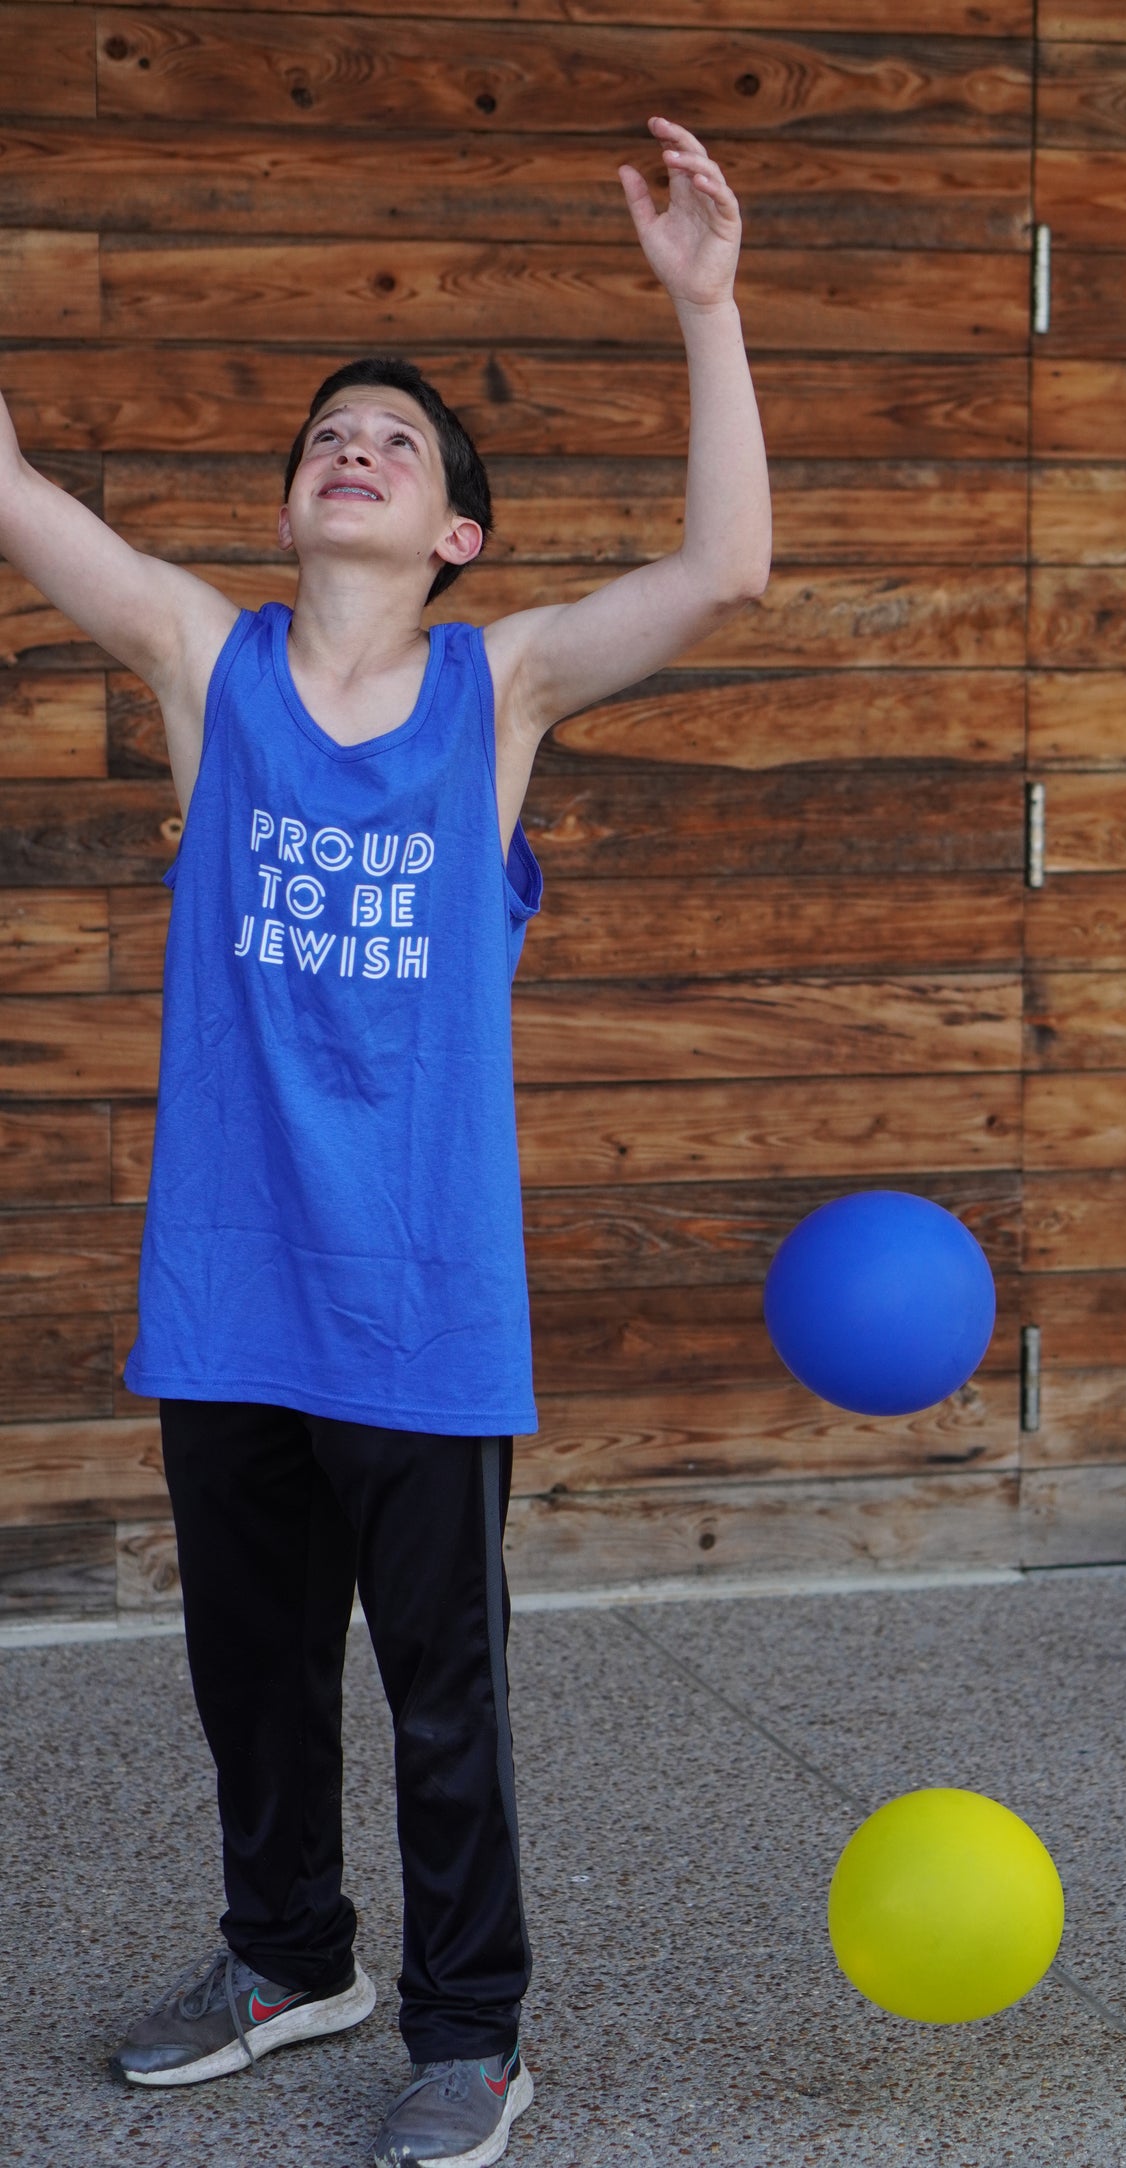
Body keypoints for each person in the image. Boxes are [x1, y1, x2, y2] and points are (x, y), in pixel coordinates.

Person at [0, 115, 770, 2167]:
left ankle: (471, 2025)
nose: (353, 447)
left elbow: (725, 571)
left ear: (454, 540)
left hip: (424, 1301)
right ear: (288, 505)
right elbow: (7, 492)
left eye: (395, 445)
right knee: (253, 1672)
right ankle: (287, 1955)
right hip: (232, 1286)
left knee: (444, 1702)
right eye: (328, 432)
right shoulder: (204, 663)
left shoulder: (496, 691)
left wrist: (705, 308)